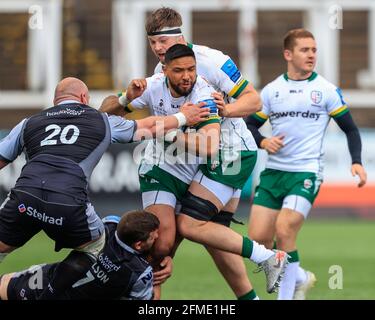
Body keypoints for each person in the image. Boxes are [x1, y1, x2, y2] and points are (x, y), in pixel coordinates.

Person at [102, 43, 287, 299]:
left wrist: (168, 131)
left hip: (215, 162)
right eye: (179, 70)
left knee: (196, 230)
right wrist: (126, 99)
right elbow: (103, 116)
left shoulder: (204, 93)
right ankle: (266, 261)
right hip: (165, 166)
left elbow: (209, 145)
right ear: (164, 70)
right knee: (162, 247)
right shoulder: (151, 85)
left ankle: (267, 259)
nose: (187, 76)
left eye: (191, 69)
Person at [0, 77, 209, 299]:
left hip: (25, 197)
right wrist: (183, 116)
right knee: (98, 245)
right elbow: (147, 126)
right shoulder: (101, 121)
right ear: (83, 98)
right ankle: (51, 293)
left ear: (55, 100)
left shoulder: (29, 123)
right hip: (67, 202)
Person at [145, 7, 287, 299]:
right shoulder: (162, 71)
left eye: (164, 41)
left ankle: (269, 256)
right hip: (207, 158)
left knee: (186, 225)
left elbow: (254, 100)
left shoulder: (212, 61)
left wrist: (227, 109)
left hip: (232, 153)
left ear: (180, 36)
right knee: (214, 236)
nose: (158, 48)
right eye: (153, 42)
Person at [245, 29, 367, 300]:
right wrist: (264, 142)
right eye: (305, 50)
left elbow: (351, 129)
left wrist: (356, 161)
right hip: (274, 173)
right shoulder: (272, 91)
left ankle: (286, 297)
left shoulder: (325, 90)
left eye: (314, 50)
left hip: (306, 172)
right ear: (288, 54)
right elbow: (250, 125)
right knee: (258, 241)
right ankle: (299, 277)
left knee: (285, 228)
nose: (311, 54)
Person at [0, 210, 160, 300]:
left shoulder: (109, 225)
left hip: (49, 280)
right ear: (138, 244)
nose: (159, 237)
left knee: (4, 285)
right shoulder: (140, 272)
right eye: (154, 236)